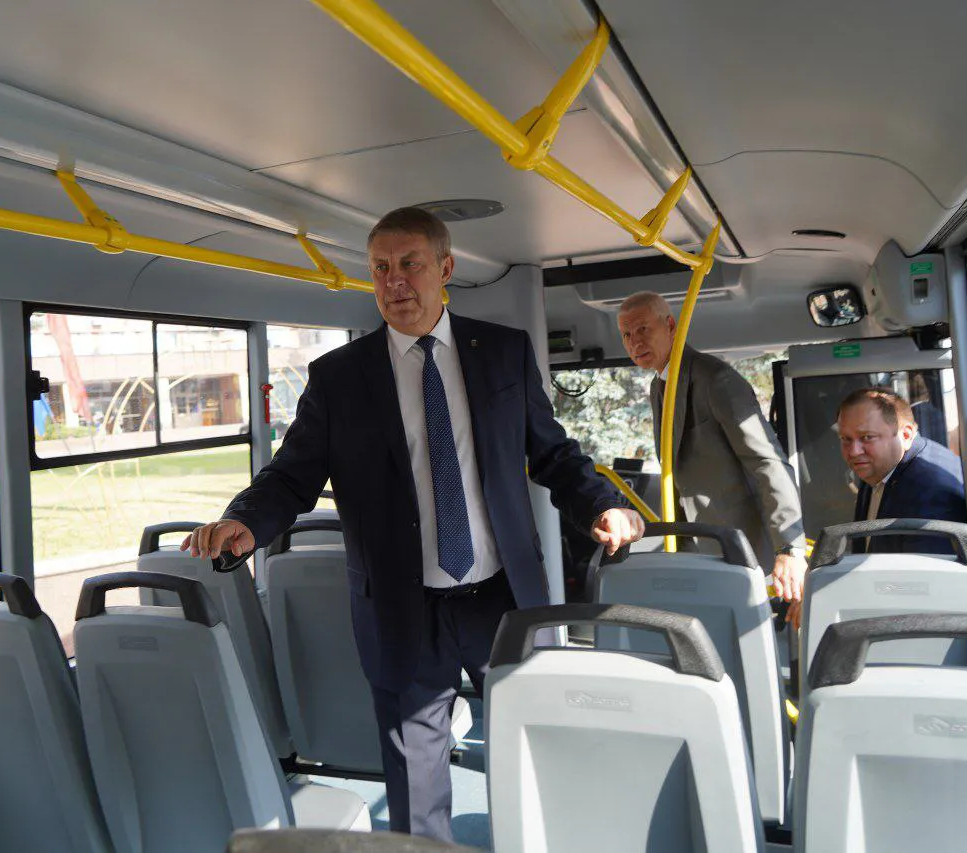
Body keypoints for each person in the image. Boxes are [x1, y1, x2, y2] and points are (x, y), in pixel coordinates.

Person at [181, 207, 644, 841]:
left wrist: (599, 506)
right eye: (380, 269)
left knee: (537, 749)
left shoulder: (503, 353)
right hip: (401, 607)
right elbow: (291, 475)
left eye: (410, 264)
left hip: (503, 598)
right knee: (415, 786)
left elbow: (553, 453)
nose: (394, 281)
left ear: (445, 269)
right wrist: (246, 522)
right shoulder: (338, 378)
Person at [616, 291, 808, 620]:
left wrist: (790, 547)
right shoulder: (658, 387)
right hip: (699, 548)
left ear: (671, 325)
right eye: (627, 335)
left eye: (643, 329)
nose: (635, 342)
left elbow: (767, 462)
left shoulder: (716, 379)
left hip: (743, 546)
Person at [836, 386, 967, 554]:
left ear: (906, 435)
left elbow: (924, 570)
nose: (854, 451)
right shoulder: (878, 467)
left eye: (867, 437)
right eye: (845, 439)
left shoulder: (931, 495)